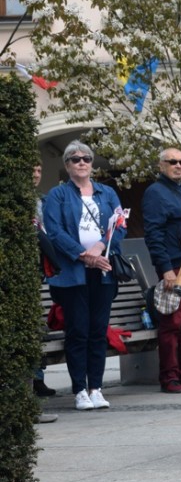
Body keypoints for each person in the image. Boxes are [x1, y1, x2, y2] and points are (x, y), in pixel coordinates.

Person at [43, 141, 126, 411]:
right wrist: (82, 254)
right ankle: (79, 390)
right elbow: (54, 232)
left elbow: (119, 225)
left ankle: (96, 388)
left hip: (102, 272)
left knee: (97, 330)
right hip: (72, 273)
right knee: (77, 331)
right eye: (75, 159)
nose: (82, 162)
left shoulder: (107, 193)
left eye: (87, 158)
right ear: (67, 165)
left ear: (92, 164)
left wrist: (101, 247)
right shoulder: (57, 195)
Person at [142, 147, 181, 394]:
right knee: (172, 324)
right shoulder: (155, 193)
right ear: (161, 166)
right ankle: (169, 377)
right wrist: (165, 269)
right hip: (176, 265)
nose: (178, 165)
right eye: (172, 162)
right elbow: (153, 234)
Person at [32, 163, 58, 423]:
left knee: (38, 330)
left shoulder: (42, 200)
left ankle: (37, 381)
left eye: (40, 169)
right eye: (31, 169)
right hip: (25, 272)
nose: (36, 173)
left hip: (39, 272)